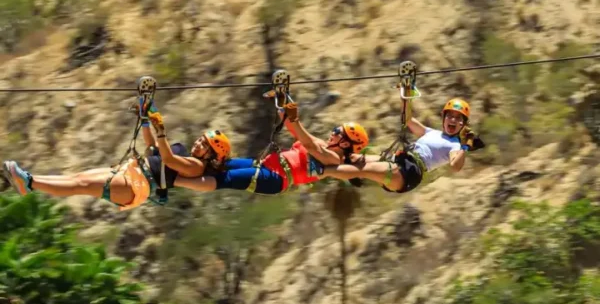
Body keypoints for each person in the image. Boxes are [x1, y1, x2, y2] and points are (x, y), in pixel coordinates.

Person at [2, 106, 232, 211]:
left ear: (211, 156)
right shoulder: (182, 149)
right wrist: (144, 120)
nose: (198, 144)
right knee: (78, 177)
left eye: (205, 145)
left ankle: (28, 182)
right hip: (132, 172)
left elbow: (169, 161)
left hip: (137, 184)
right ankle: (25, 181)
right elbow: (152, 147)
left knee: (80, 185)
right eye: (201, 139)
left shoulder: (196, 167)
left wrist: (161, 130)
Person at [175, 100, 370, 195]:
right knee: (220, 164)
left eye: (338, 132)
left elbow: (306, 143)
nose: (333, 132)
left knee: (224, 179)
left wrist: (293, 117)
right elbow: (296, 131)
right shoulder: (321, 144)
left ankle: (176, 180)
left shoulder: (334, 160)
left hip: (277, 178)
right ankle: (180, 165)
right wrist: (283, 103)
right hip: (266, 166)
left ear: (345, 143)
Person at [318, 98, 483, 193]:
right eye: (450, 116)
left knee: (362, 169)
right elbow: (408, 120)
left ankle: (321, 171)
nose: (453, 120)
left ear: (463, 124)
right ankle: (321, 160)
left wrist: (465, 145)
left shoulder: (454, 145)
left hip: (409, 171)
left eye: (458, 118)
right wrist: (406, 94)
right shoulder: (431, 132)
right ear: (444, 117)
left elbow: (455, 166)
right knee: (354, 158)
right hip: (400, 160)